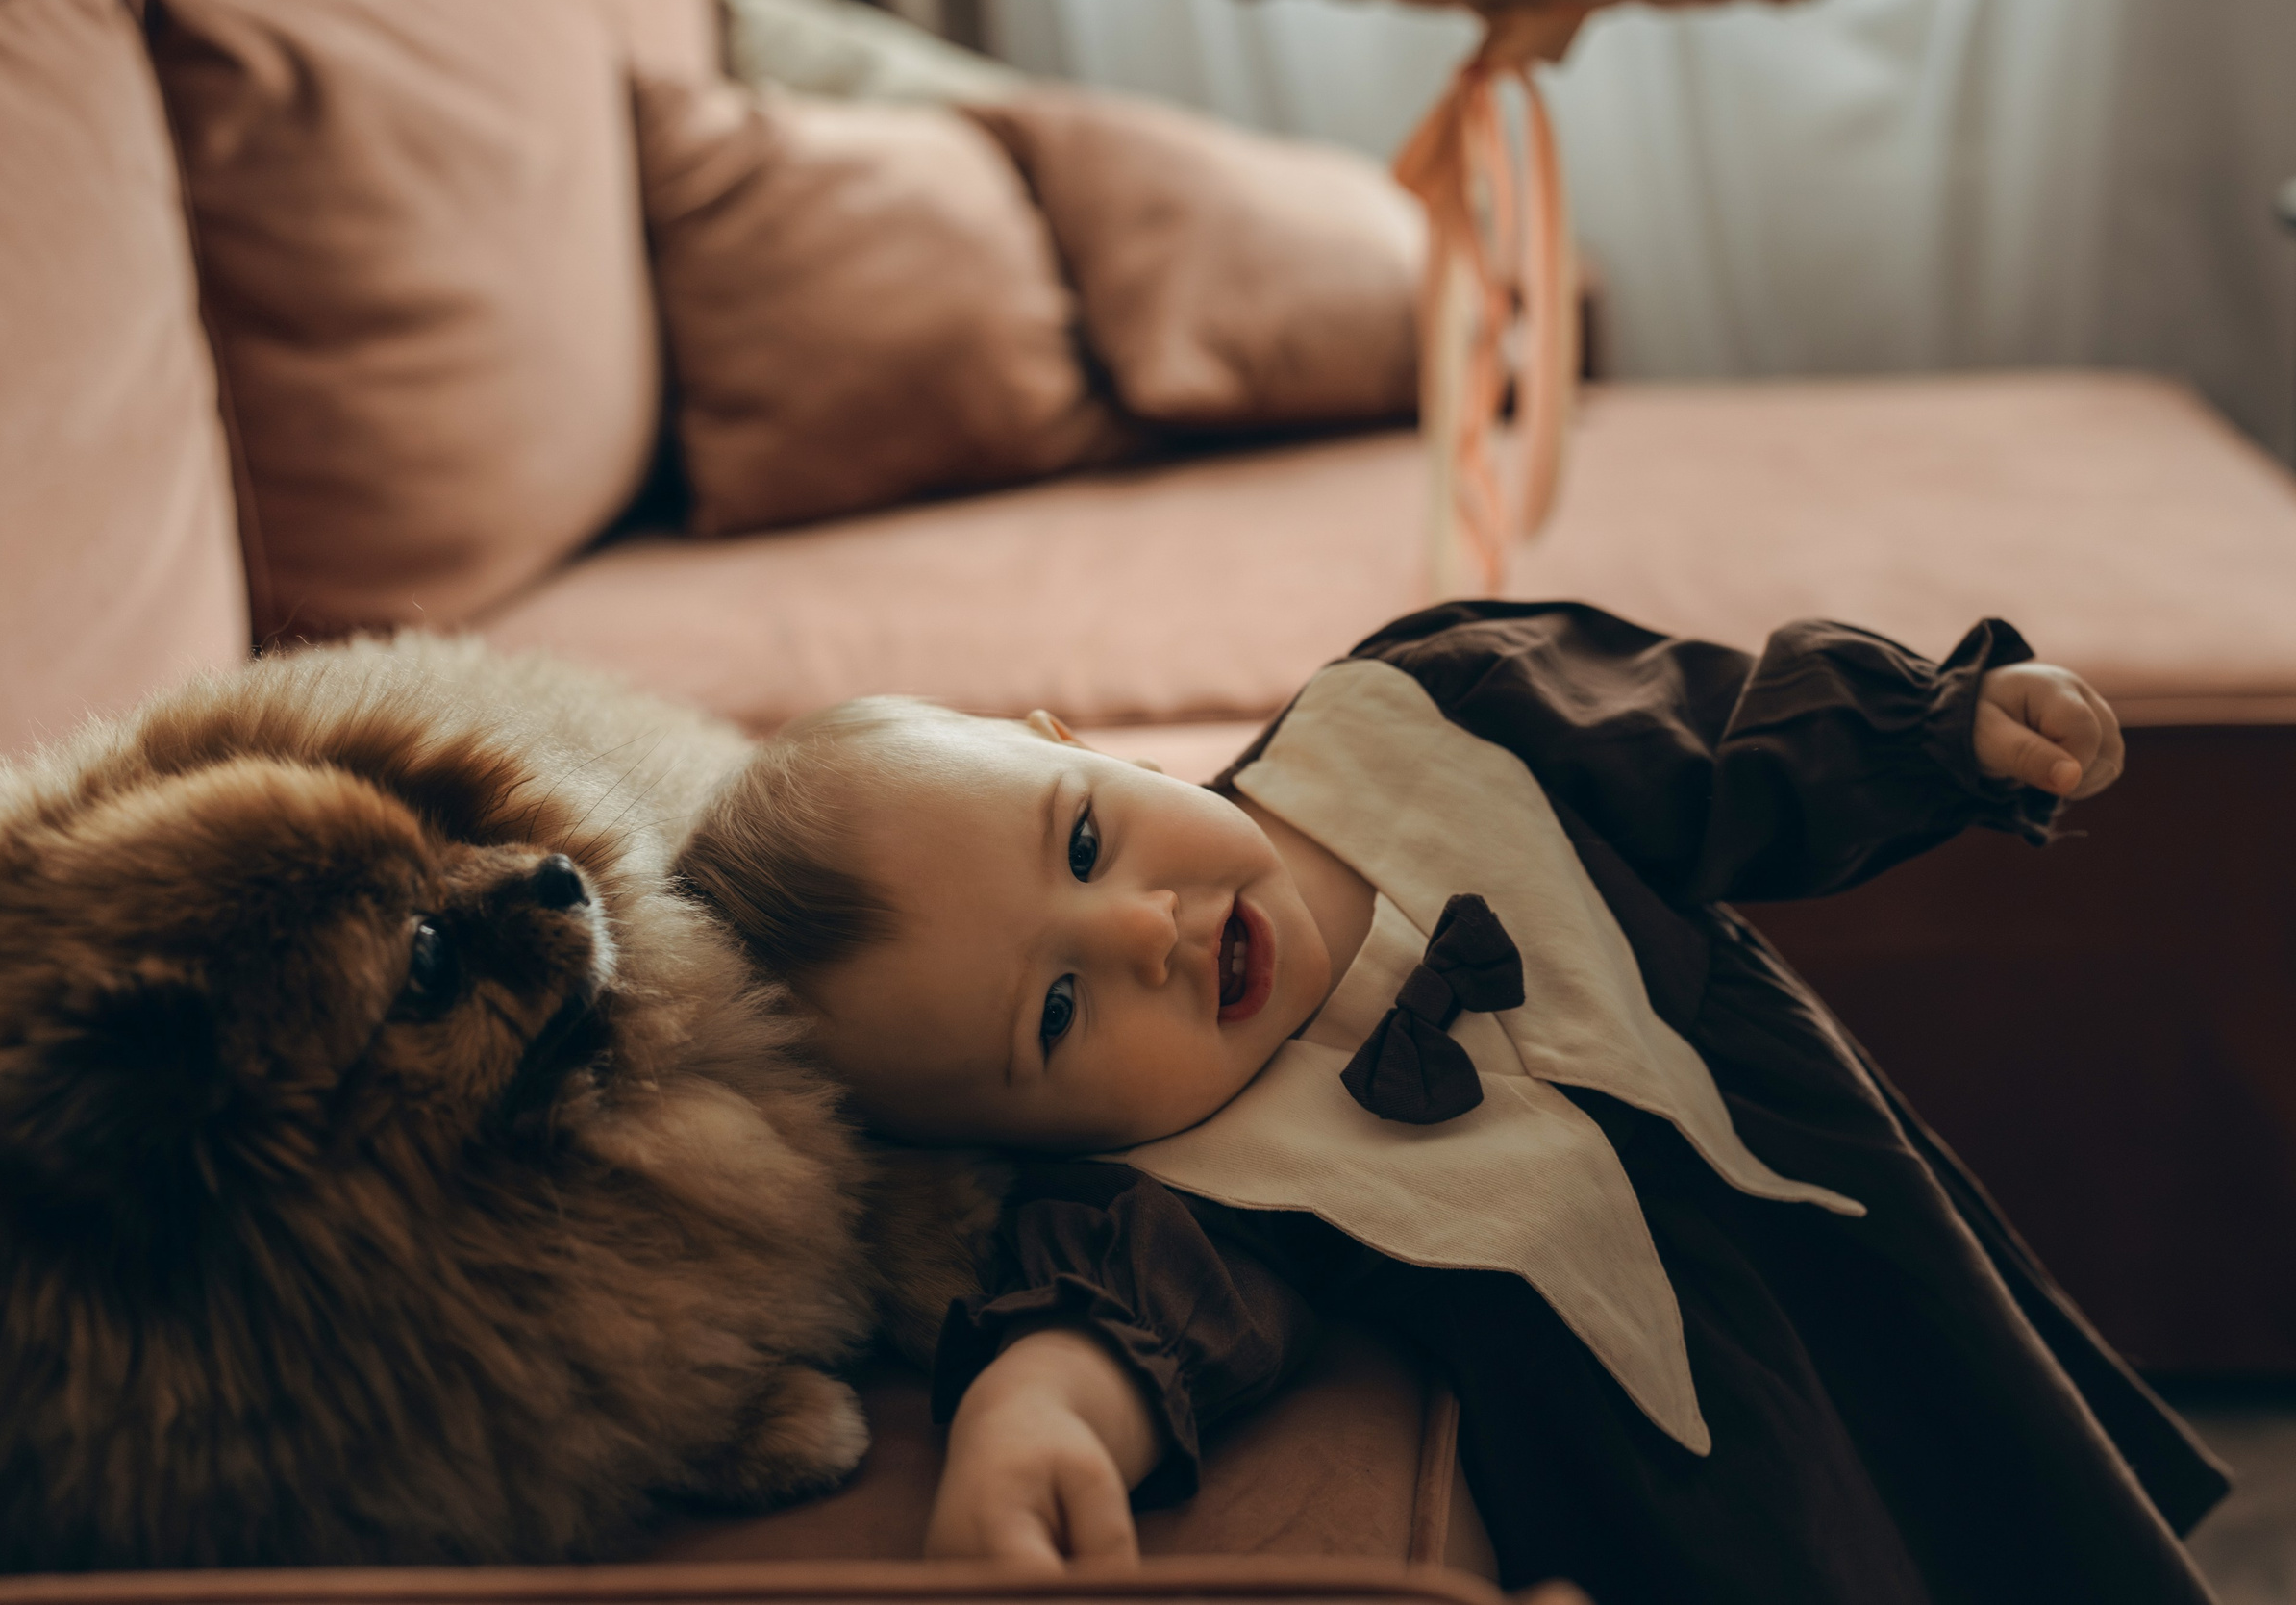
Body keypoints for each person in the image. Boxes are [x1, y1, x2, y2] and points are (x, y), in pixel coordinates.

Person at [675, 601, 2227, 1605]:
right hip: (1701, 1506)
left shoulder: (1434, 712)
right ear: (1020, 1140)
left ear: (1067, 746)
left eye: (1084, 845)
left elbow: (1716, 738)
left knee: (2012, 1509)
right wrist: (1033, 1419)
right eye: (1059, 1012)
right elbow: (1129, 1320)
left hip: (1863, 1271)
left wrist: (1938, 728)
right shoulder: (1181, 1176)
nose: (1140, 932)